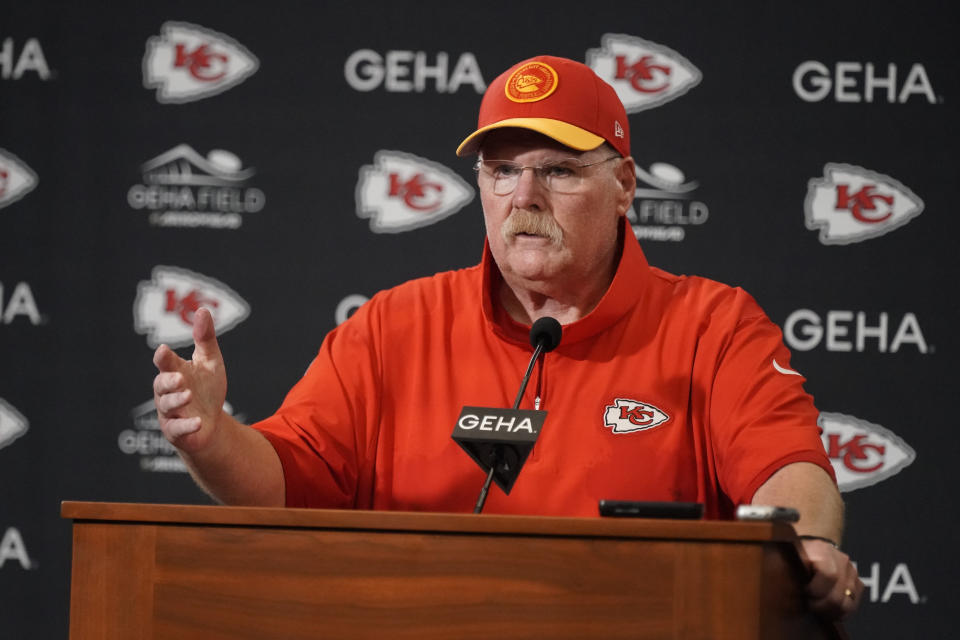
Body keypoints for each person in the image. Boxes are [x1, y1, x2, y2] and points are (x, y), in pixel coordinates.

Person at [152, 55, 863, 618]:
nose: (524, 198)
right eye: (501, 172)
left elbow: (787, 467)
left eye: (557, 171)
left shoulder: (714, 324)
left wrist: (808, 542)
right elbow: (284, 480)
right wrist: (212, 436)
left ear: (624, 185)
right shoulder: (395, 325)